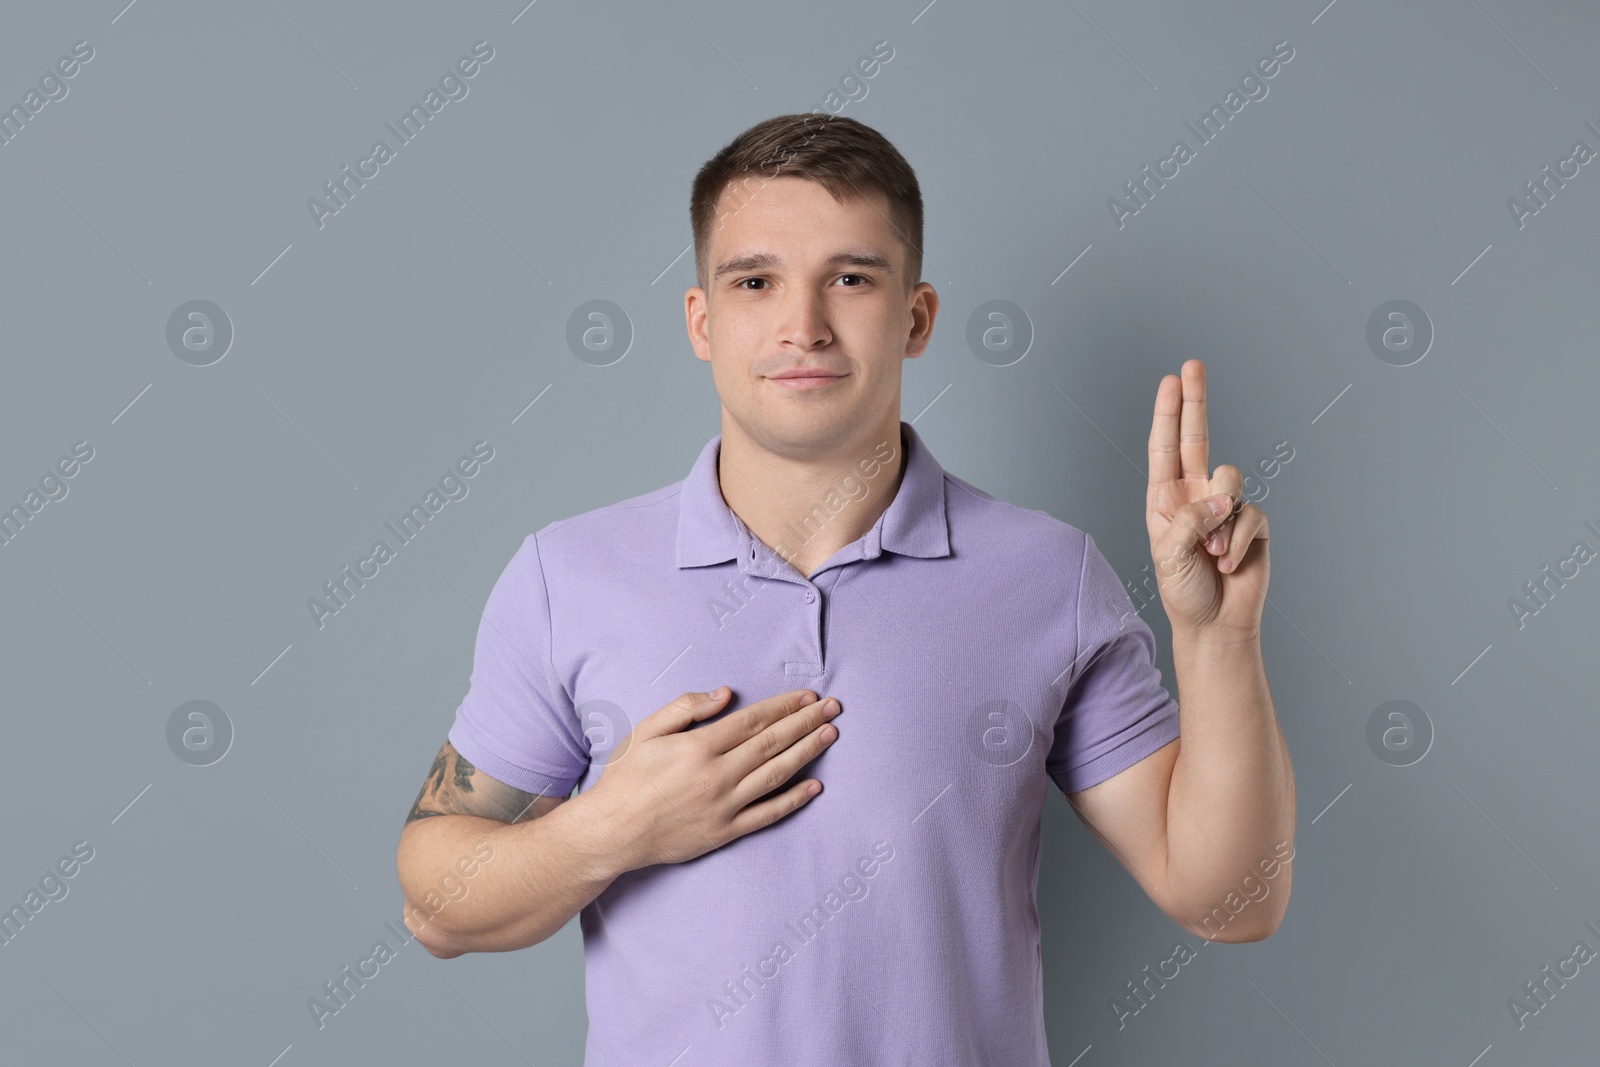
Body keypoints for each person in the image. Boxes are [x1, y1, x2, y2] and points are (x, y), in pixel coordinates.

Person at [395, 112, 1294, 1066]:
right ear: (702, 320)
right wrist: (613, 829)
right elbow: (435, 907)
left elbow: (1230, 901)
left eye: (851, 279)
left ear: (916, 315)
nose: (803, 326)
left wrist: (1218, 638)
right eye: (755, 282)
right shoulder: (567, 575)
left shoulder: (1048, 577)